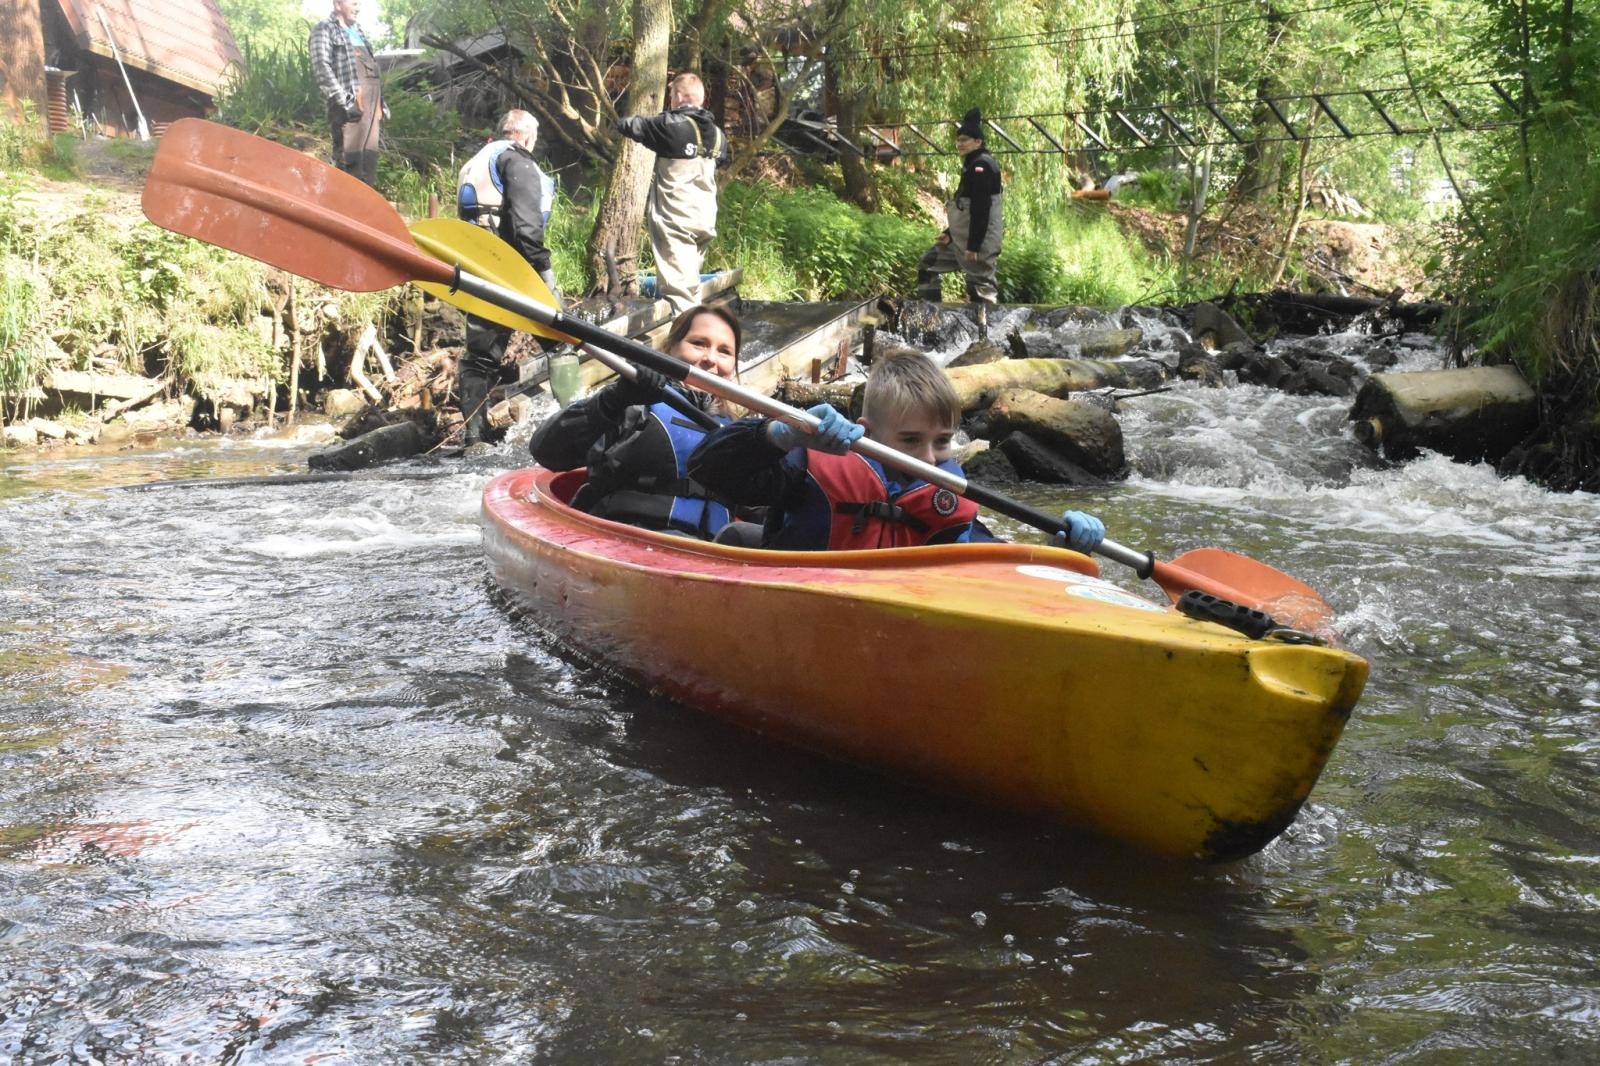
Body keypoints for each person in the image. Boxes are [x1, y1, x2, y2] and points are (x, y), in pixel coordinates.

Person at [688, 350, 1104, 553]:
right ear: (868, 432)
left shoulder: (948, 500)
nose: (927, 458)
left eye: (941, 441)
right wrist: (782, 433)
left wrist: (1058, 549)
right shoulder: (810, 467)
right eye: (909, 440)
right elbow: (707, 468)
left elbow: (1000, 576)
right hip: (800, 610)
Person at [527, 304, 745, 539]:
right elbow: (546, 451)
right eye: (699, 343)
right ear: (669, 348)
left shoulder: (739, 432)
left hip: (710, 555)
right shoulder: (634, 402)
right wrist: (613, 401)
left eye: (724, 351)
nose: (710, 359)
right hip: (627, 542)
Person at [458, 110, 559, 446]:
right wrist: (543, 271)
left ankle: (476, 441)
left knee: (479, 358)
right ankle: (576, 426)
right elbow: (526, 226)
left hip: (479, 269)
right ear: (528, 136)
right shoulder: (517, 161)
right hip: (513, 268)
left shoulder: (478, 160)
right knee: (562, 344)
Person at [615, 73, 730, 316]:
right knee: (691, 287)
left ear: (677, 96)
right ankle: (692, 337)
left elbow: (627, 125)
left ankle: (685, 348)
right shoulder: (719, 136)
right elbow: (721, 161)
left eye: (671, 95)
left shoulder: (669, 125)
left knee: (680, 296)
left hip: (676, 220)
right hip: (704, 222)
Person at [915, 108, 1004, 318]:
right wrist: (950, 233)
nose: (960, 144)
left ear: (978, 142)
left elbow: (982, 210)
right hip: (960, 240)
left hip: (978, 243)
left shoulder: (981, 166)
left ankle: (987, 336)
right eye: (958, 140)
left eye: (964, 140)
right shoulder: (973, 165)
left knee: (980, 291)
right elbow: (964, 207)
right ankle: (931, 320)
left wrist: (973, 246)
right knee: (927, 265)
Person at [309, 0, 385, 186]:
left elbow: (372, 72)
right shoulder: (324, 29)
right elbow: (321, 67)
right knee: (347, 163)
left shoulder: (359, 32)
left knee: (368, 161)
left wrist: (380, 104)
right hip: (348, 107)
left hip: (371, 107)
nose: (358, 8)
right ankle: (341, 210)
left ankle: (364, 210)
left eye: (359, 4)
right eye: (353, 3)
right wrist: (344, 100)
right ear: (337, 5)